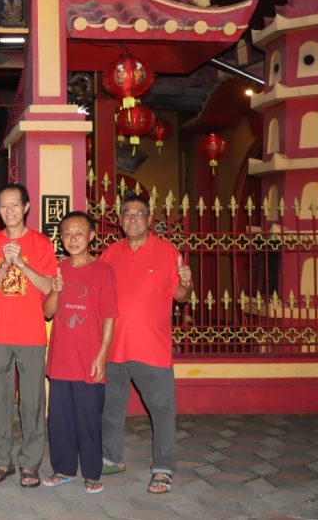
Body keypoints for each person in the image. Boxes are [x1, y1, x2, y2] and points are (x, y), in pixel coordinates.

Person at [99, 193, 193, 494]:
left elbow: (181, 297)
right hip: (113, 347)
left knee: (161, 410)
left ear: (149, 218)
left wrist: (186, 283)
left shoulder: (167, 252)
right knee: (110, 408)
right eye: (127, 213)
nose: (133, 219)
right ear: (120, 220)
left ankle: (163, 468)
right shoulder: (110, 254)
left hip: (151, 348)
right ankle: (110, 458)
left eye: (139, 213)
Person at [0, 183, 58, 488]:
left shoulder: (41, 243)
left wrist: (22, 263)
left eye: (15, 204)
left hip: (30, 332)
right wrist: (5, 263)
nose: (9, 210)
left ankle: (30, 463)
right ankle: (1, 460)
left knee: (33, 401)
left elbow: (48, 287)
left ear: (26, 207)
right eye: (4, 205)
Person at [41, 211, 117, 495]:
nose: (73, 239)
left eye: (79, 233)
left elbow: (109, 317)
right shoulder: (59, 269)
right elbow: (47, 312)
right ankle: (63, 469)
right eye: (67, 234)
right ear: (61, 238)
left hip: (89, 359)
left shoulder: (103, 271)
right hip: (61, 358)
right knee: (60, 419)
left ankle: (92, 473)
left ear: (91, 237)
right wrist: (55, 291)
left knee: (89, 419)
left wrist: (102, 355)